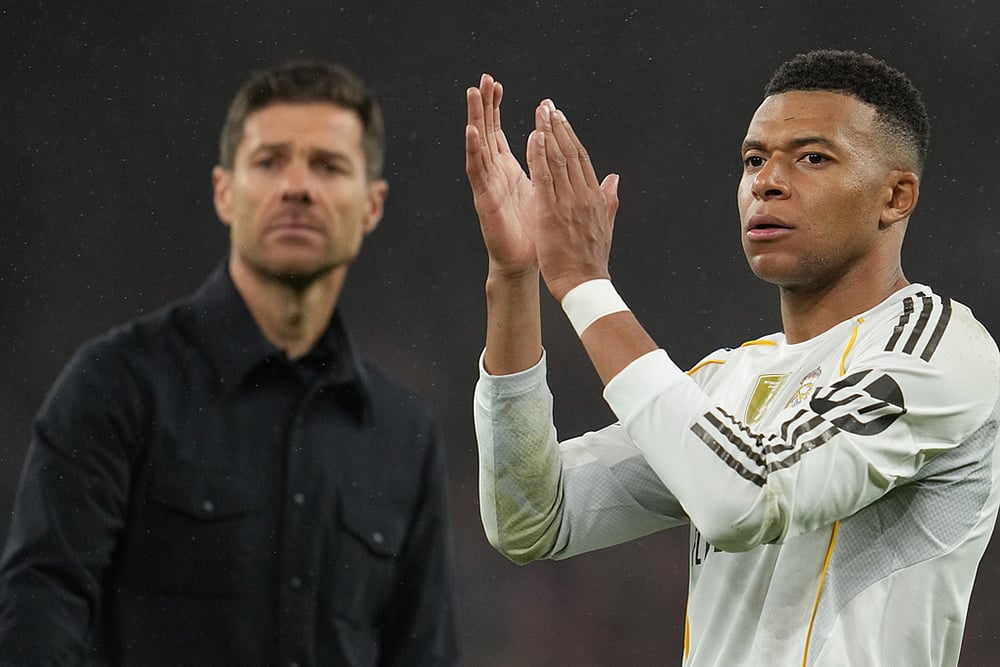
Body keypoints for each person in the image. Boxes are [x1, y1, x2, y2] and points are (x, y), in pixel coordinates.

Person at [465, 49, 1000, 665]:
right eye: (753, 159)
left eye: (812, 157)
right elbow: (532, 520)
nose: (767, 181)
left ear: (896, 196)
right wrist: (514, 278)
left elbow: (747, 499)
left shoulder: (937, 350)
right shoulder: (730, 379)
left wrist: (585, 284)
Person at [0, 61, 457, 666]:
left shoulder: (404, 433)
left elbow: (423, 653)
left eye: (328, 165)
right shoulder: (117, 385)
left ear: (373, 205)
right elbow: (41, 610)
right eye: (270, 161)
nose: (297, 186)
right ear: (224, 191)